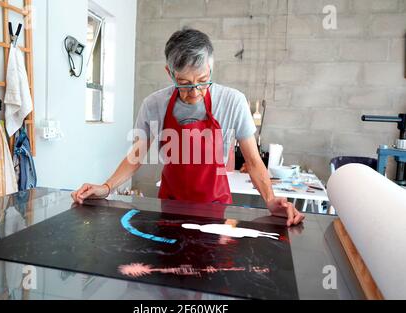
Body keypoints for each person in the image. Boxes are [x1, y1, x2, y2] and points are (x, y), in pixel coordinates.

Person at [72, 28, 304, 227]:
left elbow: (253, 162)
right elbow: (136, 156)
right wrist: (106, 187)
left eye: (202, 80)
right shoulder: (154, 104)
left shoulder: (233, 102)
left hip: (217, 212)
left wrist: (270, 200)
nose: (195, 91)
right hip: (169, 209)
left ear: (211, 69)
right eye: (184, 83)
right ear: (169, 73)